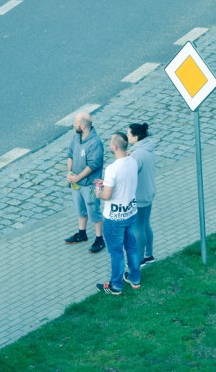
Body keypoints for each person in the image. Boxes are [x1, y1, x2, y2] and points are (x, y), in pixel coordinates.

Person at [95, 132, 141, 295]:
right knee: (131, 247)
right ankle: (135, 278)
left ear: (114, 147)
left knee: (116, 252)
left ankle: (116, 285)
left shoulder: (112, 169)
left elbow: (107, 195)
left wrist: (98, 192)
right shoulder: (133, 162)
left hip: (114, 218)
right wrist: (106, 184)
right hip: (130, 211)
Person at [64, 112, 106, 254]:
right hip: (77, 185)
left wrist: (78, 177)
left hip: (89, 185)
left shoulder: (95, 143)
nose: (73, 125)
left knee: (94, 211)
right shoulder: (76, 137)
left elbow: (93, 165)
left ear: (82, 126)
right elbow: (70, 155)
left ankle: (100, 239)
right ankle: (82, 233)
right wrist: (69, 173)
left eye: (75, 123)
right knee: (80, 209)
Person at [128, 123, 156, 267]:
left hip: (139, 196)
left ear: (136, 137)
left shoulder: (137, 155)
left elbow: (130, 175)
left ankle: (139, 259)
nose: (127, 137)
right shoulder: (147, 148)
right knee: (145, 224)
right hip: (149, 192)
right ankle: (149, 254)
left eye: (129, 135)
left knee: (138, 228)